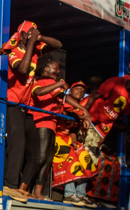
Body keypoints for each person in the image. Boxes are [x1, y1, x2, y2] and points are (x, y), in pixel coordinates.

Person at [3, 22, 63, 201]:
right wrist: (30, 44)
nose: (33, 36)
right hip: (11, 104)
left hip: (26, 107)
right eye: (30, 33)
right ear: (21, 34)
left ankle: (22, 188)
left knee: (36, 154)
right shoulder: (14, 51)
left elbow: (58, 45)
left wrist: (40, 38)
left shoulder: (36, 49)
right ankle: (9, 186)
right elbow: (22, 69)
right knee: (18, 144)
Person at [25, 57, 88, 199]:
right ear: (46, 69)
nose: (59, 71)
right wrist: (58, 84)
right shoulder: (42, 80)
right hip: (41, 122)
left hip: (51, 124)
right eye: (56, 68)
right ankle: (24, 188)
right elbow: (39, 92)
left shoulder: (55, 85)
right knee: (39, 158)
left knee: (47, 160)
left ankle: (37, 192)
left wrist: (83, 112)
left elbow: (65, 101)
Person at [83, 72, 130, 158]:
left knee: (99, 159)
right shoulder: (115, 82)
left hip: (103, 130)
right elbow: (93, 97)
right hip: (91, 123)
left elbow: (116, 118)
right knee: (88, 157)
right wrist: (85, 116)